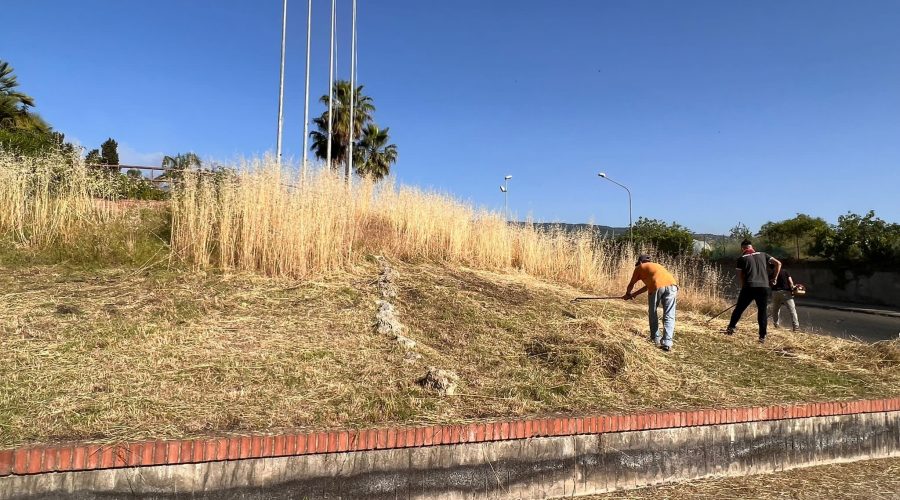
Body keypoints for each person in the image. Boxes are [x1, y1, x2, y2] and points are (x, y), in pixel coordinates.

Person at [725, 239, 782, 343]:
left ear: (743, 249)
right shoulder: (763, 254)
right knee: (762, 311)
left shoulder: (741, 259)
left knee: (739, 309)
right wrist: (775, 278)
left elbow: (741, 276)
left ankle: (731, 328)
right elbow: (778, 263)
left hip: (749, 286)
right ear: (752, 247)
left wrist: (743, 288)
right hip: (764, 287)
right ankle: (762, 336)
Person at [623, 254, 678, 352]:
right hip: (672, 285)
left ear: (640, 262)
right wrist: (634, 294)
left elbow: (631, 284)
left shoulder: (639, 267)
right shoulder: (656, 266)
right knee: (669, 314)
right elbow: (648, 286)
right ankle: (667, 342)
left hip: (657, 286)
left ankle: (655, 337)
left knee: (653, 312)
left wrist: (627, 294)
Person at [770, 263, 800, 331]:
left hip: (775, 292)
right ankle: (796, 326)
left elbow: (770, 284)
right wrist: (792, 290)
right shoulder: (785, 271)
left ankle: (776, 325)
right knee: (792, 310)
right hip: (785, 292)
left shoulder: (771, 273)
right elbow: (790, 282)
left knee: (775, 310)